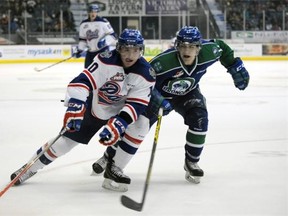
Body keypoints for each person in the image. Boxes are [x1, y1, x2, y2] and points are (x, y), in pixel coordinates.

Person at [92, 26, 250, 188]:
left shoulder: (210, 52)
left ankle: (191, 162)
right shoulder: (163, 63)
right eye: (183, 46)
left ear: (199, 48)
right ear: (177, 47)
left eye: (191, 46)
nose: (187, 50)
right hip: (158, 97)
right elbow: (142, 82)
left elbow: (222, 48)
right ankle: (108, 157)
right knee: (135, 127)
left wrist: (234, 66)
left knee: (200, 119)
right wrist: (156, 99)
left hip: (188, 93)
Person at [10, 29, 156, 193]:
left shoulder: (146, 73)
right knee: (64, 143)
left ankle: (116, 168)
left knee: (142, 124)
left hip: (119, 111)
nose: (130, 54)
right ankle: (30, 167)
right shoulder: (105, 60)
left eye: (135, 50)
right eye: (126, 49)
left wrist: (121, 122)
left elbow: (137, 103)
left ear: (141, 50)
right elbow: (83, 81)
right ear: (119, 48)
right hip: (96, 108)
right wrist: (76, 105)